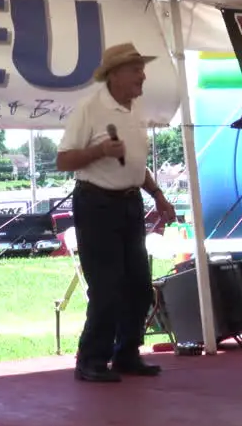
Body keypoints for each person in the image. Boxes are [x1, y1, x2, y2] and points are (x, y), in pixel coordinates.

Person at [57, 42, 176, 383]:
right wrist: (100, 151)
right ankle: (91, 359)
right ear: (115, 74)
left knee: (138, 284)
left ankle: (126, 353)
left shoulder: (134, 110)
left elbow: (136, 165)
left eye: (142, 68)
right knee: (107, 285)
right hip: (96, 203)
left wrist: (158, 195)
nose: (142, 75)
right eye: (136, 69)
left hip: (129, 203)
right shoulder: (90, 109)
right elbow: (63, 160)